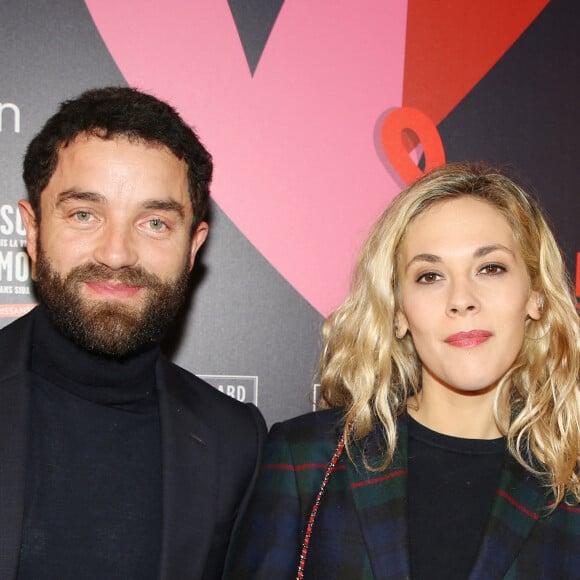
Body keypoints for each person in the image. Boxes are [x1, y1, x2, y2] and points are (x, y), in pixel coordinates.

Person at [225, 163, 580, 579]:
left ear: (535, 296)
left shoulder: (570, 478)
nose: (461, 299)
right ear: (397, 313)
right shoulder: (307, 460)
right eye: (429, 276)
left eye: (490, 268)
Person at [0, 87, 266, 580]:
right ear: (33, 232)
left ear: (193, 246)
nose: (117, 253)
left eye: (155, 222)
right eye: (84, 214)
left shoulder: (236, 440)